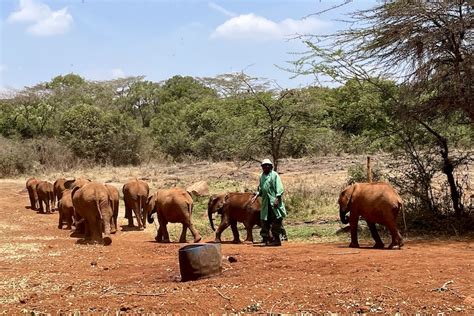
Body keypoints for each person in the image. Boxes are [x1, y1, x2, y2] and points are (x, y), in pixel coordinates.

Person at [251, 159, 287, 246]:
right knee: (265, 220)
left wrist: (277, 198)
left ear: (271, 166)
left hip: (274, 202)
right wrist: (257, 194)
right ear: (262, 167)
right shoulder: (262, 176)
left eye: (268, 165)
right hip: (265, 203)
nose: (266, 167)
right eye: (264, 165)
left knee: (276, 219)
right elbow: (261, 189)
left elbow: (279, 187)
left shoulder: (275, 175)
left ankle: (276, 239)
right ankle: (266, 239)